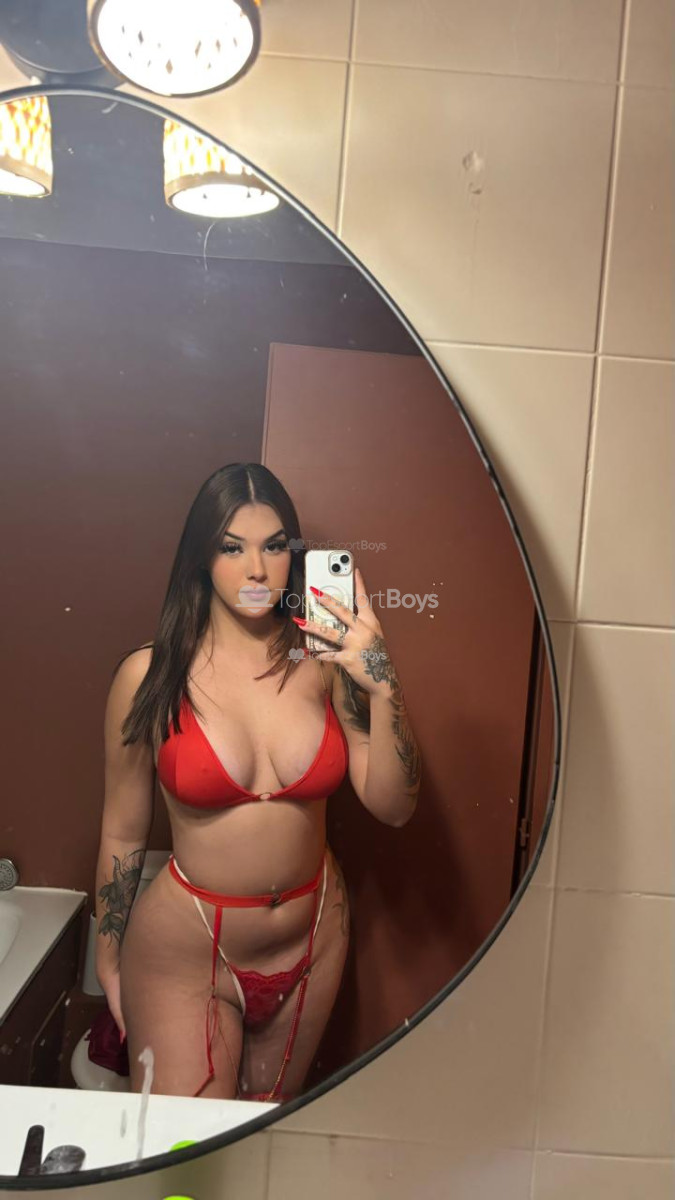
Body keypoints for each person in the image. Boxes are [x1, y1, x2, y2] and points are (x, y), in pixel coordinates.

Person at [94, 462, 421, 1102]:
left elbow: (394, 807)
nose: (256, 570)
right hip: (186, 951)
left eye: (273, 546)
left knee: (264, 1135)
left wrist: (384, 683)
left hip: (314, 940)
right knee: (188, 1150)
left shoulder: (324, 665)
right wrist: (105, 961)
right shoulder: (148, 678)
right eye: (231, 547)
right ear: (200, 558)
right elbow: (123, 829)